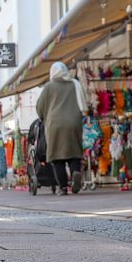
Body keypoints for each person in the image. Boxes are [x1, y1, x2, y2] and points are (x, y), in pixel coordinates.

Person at [35, 61, 86, 195]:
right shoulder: (74, 84)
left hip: (55, 125)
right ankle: (75, 172)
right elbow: (83, 104)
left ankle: (62, 188)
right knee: (74, 153)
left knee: (57, 158)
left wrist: (43, 116)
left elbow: (40, 108)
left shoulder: (48, 87)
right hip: (74, 123)